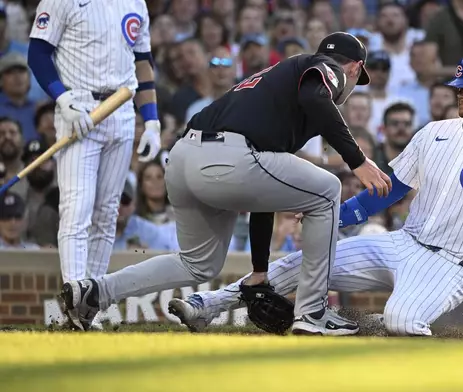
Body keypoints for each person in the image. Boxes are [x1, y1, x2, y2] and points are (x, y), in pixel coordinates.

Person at [166, 53, 463, 337]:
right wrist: (335, 215)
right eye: (460, 87)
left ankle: (381, 342)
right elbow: (386, 191)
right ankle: (208, 306)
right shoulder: (435, 131)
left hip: (450, 263)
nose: (460, 94)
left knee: (401, 321)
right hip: (402, 242)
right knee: (302, 263)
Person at [60, 32, 392, 334]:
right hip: (228, 158)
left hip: (183, 157)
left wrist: (260, 271)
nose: (352, 84)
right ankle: (313, 313)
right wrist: (358, 161)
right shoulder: (324, 67)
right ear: (355, 67)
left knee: (197, 264)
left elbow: (266, 196)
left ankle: (96, 291)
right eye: (356, 76)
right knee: (329, 190)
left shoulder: (277, 89)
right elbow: (316, 96)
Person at [27, 0, 161, 325]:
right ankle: (74, 296)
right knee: (77, 207)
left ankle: (89, 306)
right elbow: (38, 54)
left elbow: (142, 62)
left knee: (107, 211)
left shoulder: (136, 3)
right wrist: (62, 98)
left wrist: (152, 120)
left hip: (122, 108)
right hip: (79, 106)